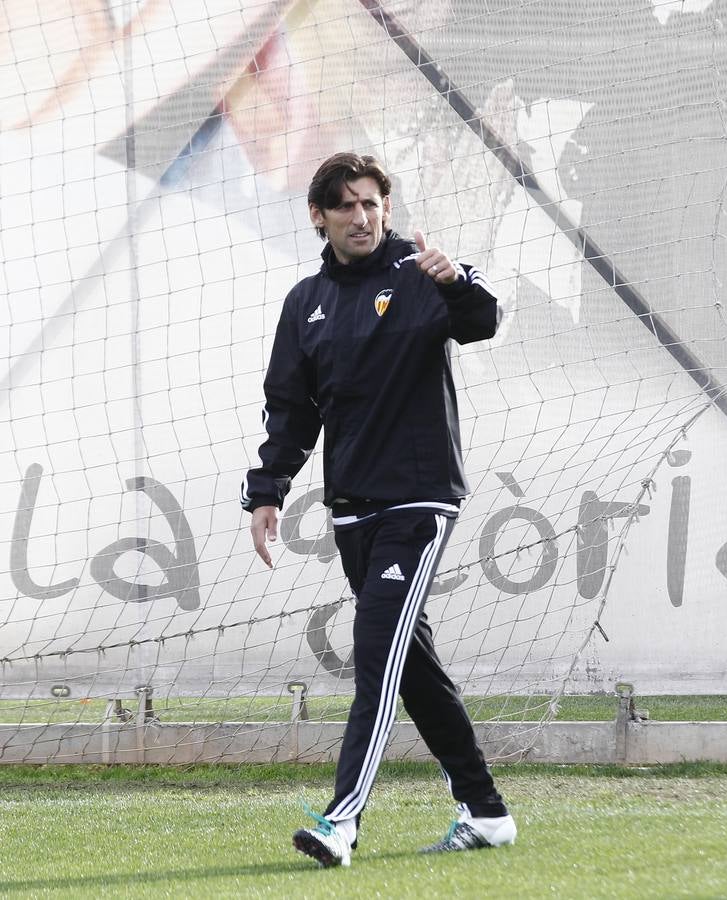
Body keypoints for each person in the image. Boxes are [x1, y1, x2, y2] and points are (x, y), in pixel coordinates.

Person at [241, 152, 516, 867]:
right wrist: (267, 490)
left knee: (375, 657)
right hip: (352, 508)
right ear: (319, 216)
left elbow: (483, 319)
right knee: (409, 662)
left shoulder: (422, 274)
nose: (361, 217)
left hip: (419, 500)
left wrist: (455, 281)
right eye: (346, 206)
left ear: (385, 207)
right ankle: (485, 811)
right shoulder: (306, 302)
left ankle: (341, 823)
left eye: (371, 203)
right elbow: (290, 408)